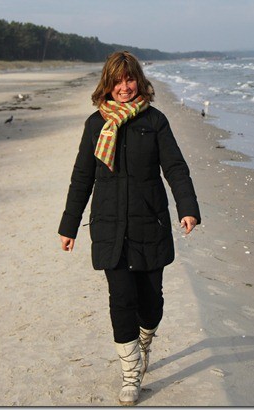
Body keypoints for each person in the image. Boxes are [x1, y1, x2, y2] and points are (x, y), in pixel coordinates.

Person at [58, 51, 201, 405]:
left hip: (148, 224)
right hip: (109, 227)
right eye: (117, 81)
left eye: (129, 79)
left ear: (139, 81)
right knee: (121, 299)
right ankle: (130, 374)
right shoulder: (95, 125)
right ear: (107, 84)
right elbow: (82, 177)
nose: (124, 88)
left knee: (151, 304)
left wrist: (187, 208)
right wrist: (69, 225)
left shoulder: (155, 121)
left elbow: (175, 167)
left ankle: (145, 338)